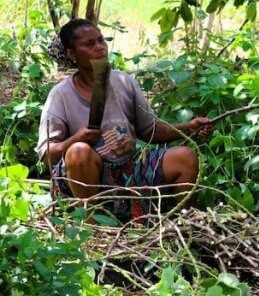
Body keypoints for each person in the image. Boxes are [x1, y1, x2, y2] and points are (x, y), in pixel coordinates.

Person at [37, 19, 215, 222]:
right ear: (72, 54)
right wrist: (78, 138)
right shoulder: (60, 95)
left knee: (186, 157)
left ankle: (185, 222)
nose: (99, 47)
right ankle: (93, 225)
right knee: (79, 151)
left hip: (129, 173)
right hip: (84, 181)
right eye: (88, 44)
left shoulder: (123, 82)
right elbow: (47, 155)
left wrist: (188, 127)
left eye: (100, 40)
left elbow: (150, 131)